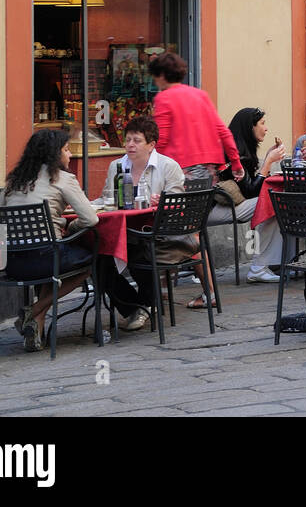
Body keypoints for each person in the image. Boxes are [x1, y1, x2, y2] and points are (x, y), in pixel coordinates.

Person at [3, 130, 104, 351]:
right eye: (66, 150)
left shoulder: (15, 179)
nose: (70, 155)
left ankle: (36, 327)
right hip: (47, 258)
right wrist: (70, 226)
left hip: (13, 262)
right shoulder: (63, 178)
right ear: (53, 155)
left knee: (52, 253)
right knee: (90, 262)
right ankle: (34, 309)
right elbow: (91, 219)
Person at [106, 116, 214, 320]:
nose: (130, 145)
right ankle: (139, 305)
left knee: (139, 250)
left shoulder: (167, 166)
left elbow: (178, 205)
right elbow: (107, 198)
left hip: (162, 235)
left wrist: (163, 203)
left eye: (136, 140)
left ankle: (146, 305)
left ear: (151, 144)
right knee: (102, 256)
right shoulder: (117, 167)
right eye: (127, 139)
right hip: (126, 230)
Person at [149, 52, 244, 183]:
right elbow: (222, 131)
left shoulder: (163, 98)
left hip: (179, 166)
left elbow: (161, 138)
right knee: (203, 202)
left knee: (176, 203)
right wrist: (235, 161)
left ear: (162, 75)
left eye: (155, 76)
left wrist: (152, 163)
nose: (155, 80)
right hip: (209, 167)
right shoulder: (201, 95)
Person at [220, 107, 288, 283]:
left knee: (276, 201)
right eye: (262, 124)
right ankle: (259, 267)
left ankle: (271, 262)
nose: (266, 129)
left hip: (233, 204)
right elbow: (250, 191)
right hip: (220, 207)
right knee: (273, 202)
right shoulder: (235, 153)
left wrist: (267, 159)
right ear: (250, 127)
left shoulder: (241, 148)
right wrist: (268, 162)